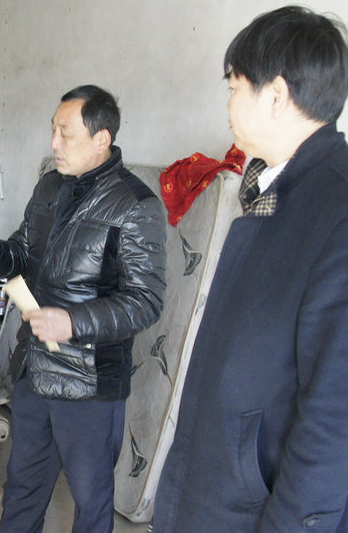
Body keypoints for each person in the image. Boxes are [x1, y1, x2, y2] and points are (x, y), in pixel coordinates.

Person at [152, 6, 348, 532]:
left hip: (256, 508)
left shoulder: (335, 212)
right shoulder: (275, 189)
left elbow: (334, 420)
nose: (228, 103)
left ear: (276, 95)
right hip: (218, 485)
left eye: (235, 87)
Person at [0, 85, 166, 532]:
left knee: (91, 503)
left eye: (65, 133)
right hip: (35, 369)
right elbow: (21, 254)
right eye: (53, 130)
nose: (54, 143)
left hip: (89, 384)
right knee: (23, 489)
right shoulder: (50, 187)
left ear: (101, 138)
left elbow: (144, 301)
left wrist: (72, 322)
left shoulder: (135, 205)